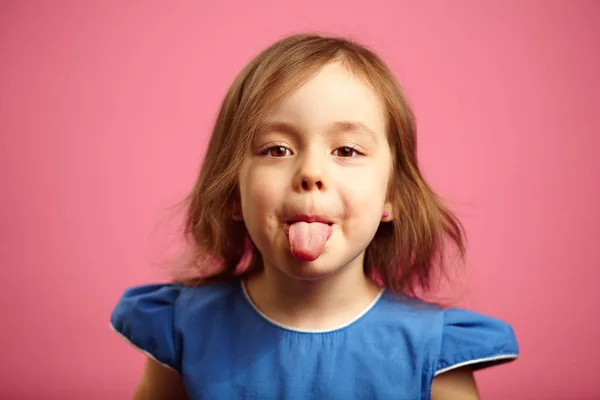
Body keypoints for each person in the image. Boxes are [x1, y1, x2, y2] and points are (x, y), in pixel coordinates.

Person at [110, 33, 519, 399]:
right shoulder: (184, 330)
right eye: (277, 150)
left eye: (346, 151)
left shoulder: (432, 354)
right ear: (233, 191)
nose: (310, 173)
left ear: (391, 197)